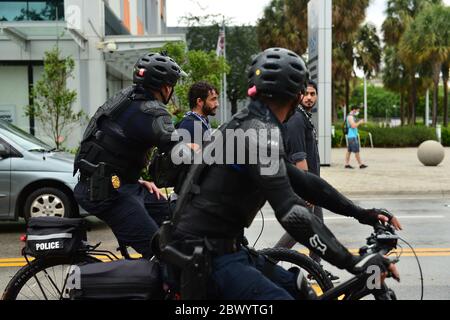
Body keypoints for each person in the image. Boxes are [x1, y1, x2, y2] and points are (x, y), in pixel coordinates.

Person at [169, 47, 401, 300]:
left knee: (300, 289)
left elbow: (305, 182)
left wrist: (362, 213)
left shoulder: (250, 123)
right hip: (208, 258)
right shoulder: (259, 132)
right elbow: (290, 211)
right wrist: (352, 261)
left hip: (224, 248)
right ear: (296, 95)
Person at [72, 52, 186, 259]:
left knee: (174, 219)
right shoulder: (152, 111)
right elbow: (178, 151)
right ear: (165, 87)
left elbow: (113, 144)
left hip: (116, 184)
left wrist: (136, 179)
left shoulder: (127, 97)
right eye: (172, 84)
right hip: (107, 193)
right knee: (161, 251)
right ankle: (157, 286)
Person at [283, 79, 339, 282]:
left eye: (312, 94)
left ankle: (315, 269)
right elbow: (299, 157)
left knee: (318, 228)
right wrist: (307, 190)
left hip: (310, 185)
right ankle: (267, 261)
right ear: (298, 96)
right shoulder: (297, 119)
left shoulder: (304, 118)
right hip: (304, 186)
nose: (309, 98)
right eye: (305, 94)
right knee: (297, 230)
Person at [177, 81, 219, 146]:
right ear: (199, 101)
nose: (217, 104)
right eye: (213, 99)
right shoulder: (190, 125)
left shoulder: (199, 122)